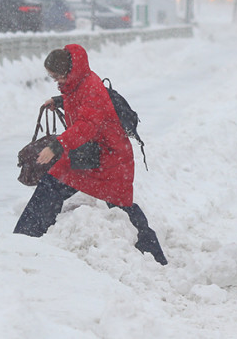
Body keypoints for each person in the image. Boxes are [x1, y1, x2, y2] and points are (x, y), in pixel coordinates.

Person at [14, 44, 167, 265]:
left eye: (57, 76)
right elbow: (80, 100)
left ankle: (155, 257)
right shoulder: (77, 81)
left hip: (110, 158)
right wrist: (58, 101)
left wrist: (56, 146)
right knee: (51, 184)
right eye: (51, 77)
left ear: (68, 71)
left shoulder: (91, 87)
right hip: (88, 153)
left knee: (122, 207)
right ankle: (23, 241)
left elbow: (87, 125)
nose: (56, 81)